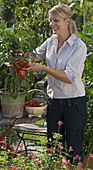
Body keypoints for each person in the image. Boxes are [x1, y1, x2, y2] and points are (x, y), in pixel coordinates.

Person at [23, 4, 88, 165]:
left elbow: (68, 77)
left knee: (74, 152)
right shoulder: (51, 41)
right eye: (50, 20)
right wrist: (19, 54)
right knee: (54, 149)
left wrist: (44, 68)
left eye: (56, 20)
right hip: (54, 104)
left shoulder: (78, 47)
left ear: (67, 21)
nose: (52, 24)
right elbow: (35, 56)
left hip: (74, 104)